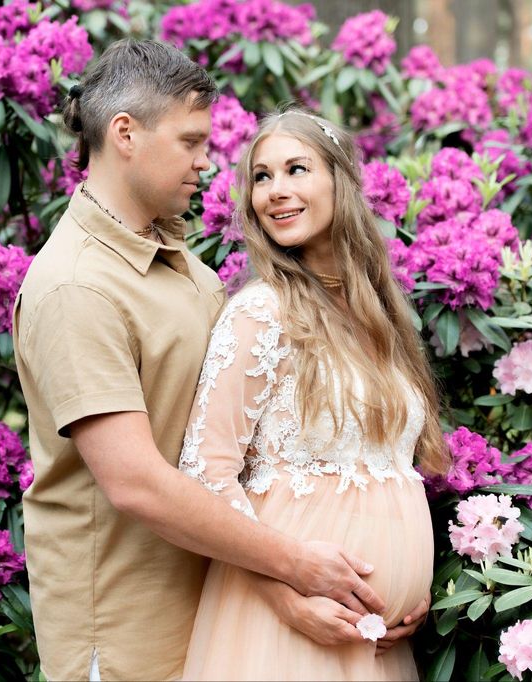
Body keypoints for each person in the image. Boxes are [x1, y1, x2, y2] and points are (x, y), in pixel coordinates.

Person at [13, 42, 382, 681]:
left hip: (219, 613)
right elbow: (135, 483)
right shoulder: (77, 286)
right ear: (125, 134)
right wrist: (295, 564)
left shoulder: (188, 269)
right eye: (190, 141)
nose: (207, 162)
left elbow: (231, 455)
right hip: (131, 635)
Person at [179, 108, 451, 680]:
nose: (276, 192)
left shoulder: (381, 316)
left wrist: (410, 590)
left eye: (296, 170)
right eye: (261, 176)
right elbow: (205, 475)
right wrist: (285, 595)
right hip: (286, 631)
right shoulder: (260, 312)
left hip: (382, 644)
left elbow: (390, 469)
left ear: (339, 180)